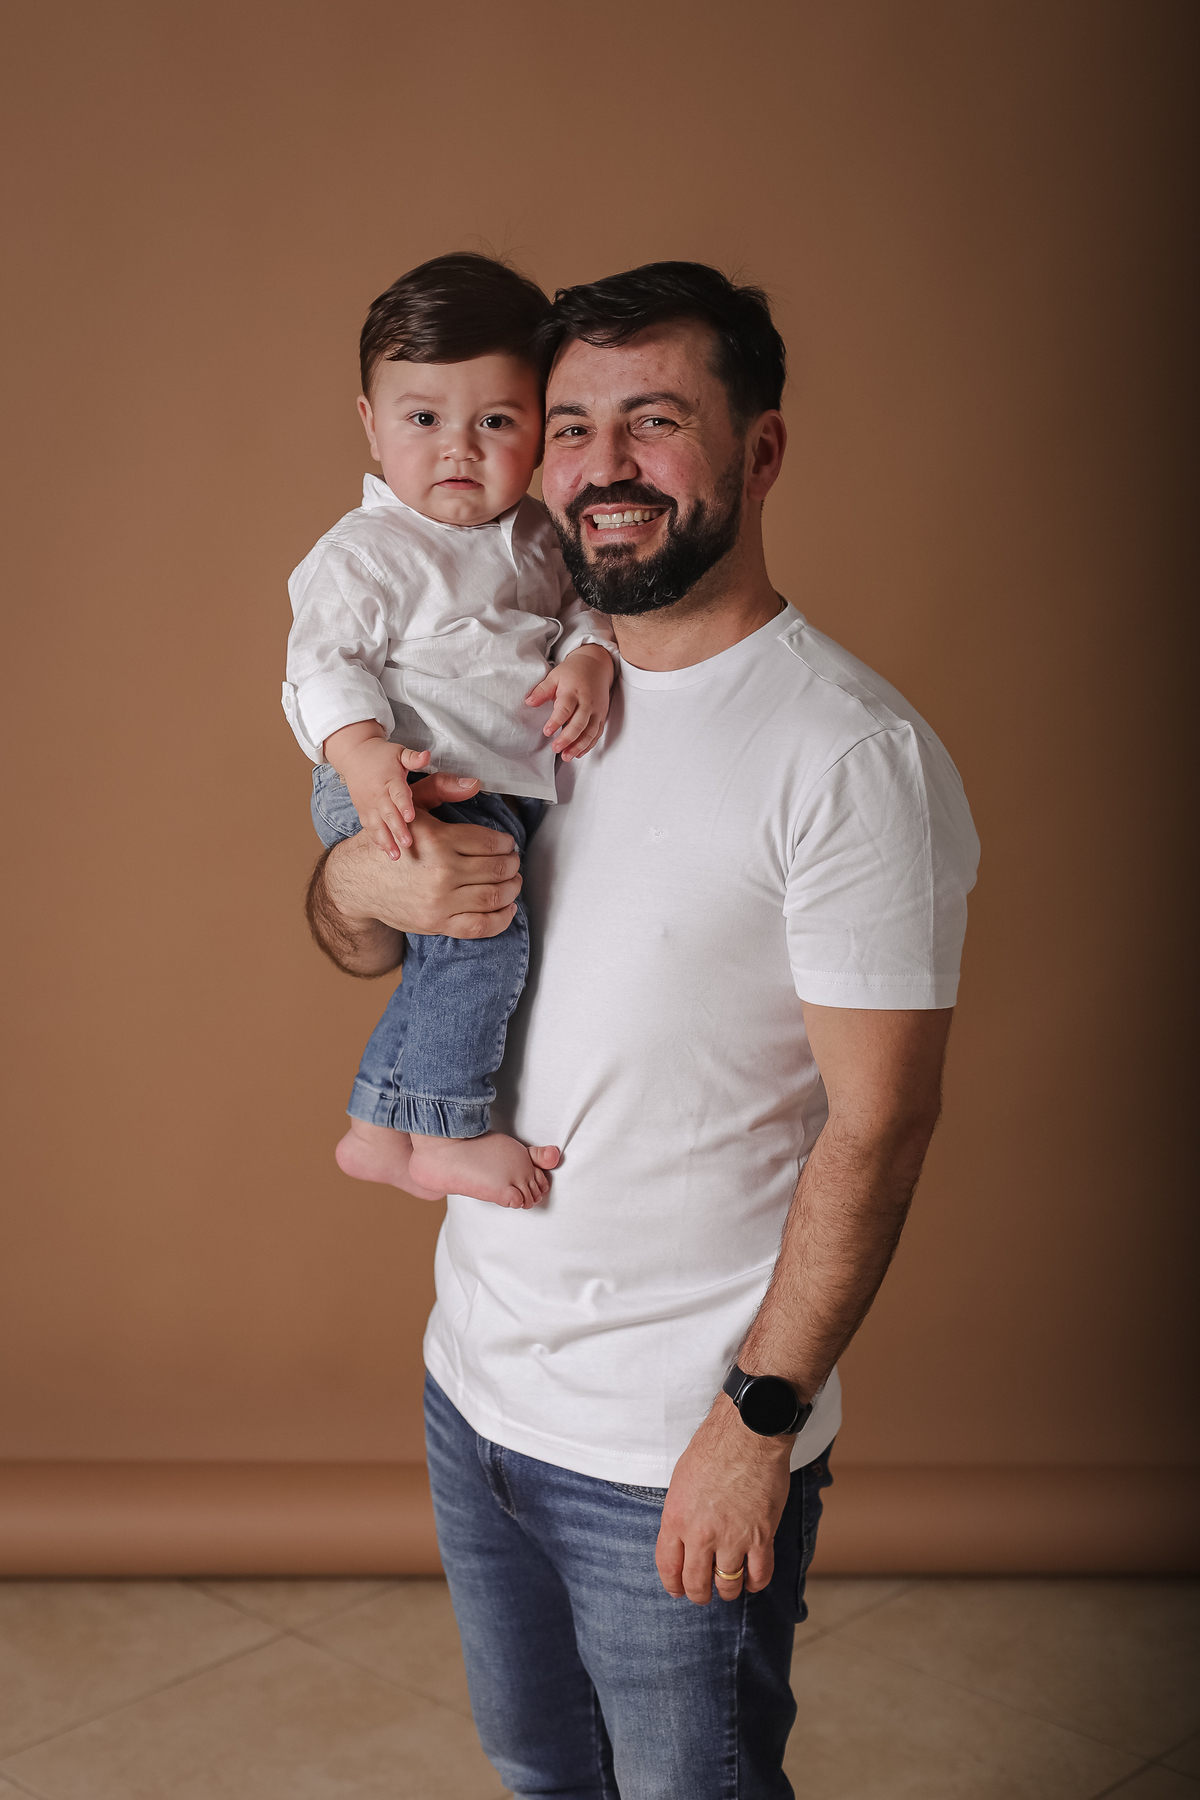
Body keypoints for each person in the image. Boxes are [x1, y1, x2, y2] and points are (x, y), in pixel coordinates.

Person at [305, 262, 980, 1799]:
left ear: (761, 449)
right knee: (541, 1775)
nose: (603, 465)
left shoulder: (845, 756)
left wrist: (757, 1422)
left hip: (670, 1439)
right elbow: (368, 935)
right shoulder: (511, 682)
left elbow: (882, 1123)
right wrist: (356, 875)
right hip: (475, 1388)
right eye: (571, 425)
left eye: (656, 420)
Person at [283, 253, 616, 1210]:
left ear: (540, 431)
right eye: (423, 420)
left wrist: (590, 659)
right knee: (483, 938)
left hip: (491, 780)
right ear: (370, 423)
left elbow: (580, 616)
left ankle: (377, 1126)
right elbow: (323, 665)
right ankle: (446, 1130)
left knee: (447, 957)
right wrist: (361, 755)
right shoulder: (368, 551)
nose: (458, 450)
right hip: (405, 776)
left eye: (496, 423)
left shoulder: (540, 537)